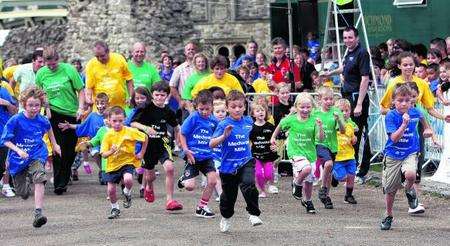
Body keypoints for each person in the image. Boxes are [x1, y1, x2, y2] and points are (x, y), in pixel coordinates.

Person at [1, 86, 61, 227]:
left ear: (41, 105)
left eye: (37, 105)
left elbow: (49, 128)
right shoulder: (15, 120)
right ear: (24, 104)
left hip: (36, 154)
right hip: (18, 159)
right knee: (23, 193)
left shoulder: (42, 119)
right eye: (30, 105)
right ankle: (25, 181)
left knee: (40, 177)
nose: (34, 109)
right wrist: (18, 151)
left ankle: (38, 212)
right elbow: (5, 140)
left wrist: (55, 145)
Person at [380, 84, 432, 230]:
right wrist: (404, 125)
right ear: (394, 102)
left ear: (412, 101)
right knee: (391, 190)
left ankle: (409, 190)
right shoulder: (391, 115)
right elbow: (394, 138)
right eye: (400, 100)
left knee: (410, 175)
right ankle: (388, 214)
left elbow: (424, 120)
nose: (404, 103)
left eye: (407, 100)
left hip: (410, 152)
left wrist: (428, 130)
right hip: (392, 154)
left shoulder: (416, 112)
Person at [324, 26, 371, 184]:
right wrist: (331, 73)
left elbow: (365, 78)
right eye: (345, 38)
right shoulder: (349, 53)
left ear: (357, 38)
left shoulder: (362, 53)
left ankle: (360, 170)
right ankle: (342, 168)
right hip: (345, 97)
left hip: (357, 97)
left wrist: (359, 104)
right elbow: (345, 68)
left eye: (350, 37)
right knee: (341, 131)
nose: (348, 40)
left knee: (357, 133)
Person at [35, 46, 85, 195]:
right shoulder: (41, 73)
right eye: (47, 64)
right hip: (53, 113)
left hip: (71, 113)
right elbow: (39, 92)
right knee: (58, 148)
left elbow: (80, 90)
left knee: (70, 150)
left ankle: (66, 173)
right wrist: (45, 105)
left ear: (58, 59)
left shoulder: (69, 69)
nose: (50, 66)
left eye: (53, 64)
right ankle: (59, 184)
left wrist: (80, 108)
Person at [210, 90, 262, 233]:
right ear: (227, 108)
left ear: (244, 107)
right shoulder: (223, 124)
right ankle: (225, 218)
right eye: (233, 106)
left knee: (249, 184)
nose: (237, 109)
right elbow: (211, 144)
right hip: (228, 166)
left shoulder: (249, 121)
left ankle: (253, 214)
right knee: (228, 197)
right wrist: (224, 136)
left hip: (246, 161)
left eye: (240, 106)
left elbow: (259, 131)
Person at [130, 82, 183, 211]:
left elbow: (177, 127)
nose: (159, 98)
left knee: (170, 168)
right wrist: (146, 128)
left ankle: (170, 200)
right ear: (152, 95)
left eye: (162, 95)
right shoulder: (145, 108)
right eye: (157, 95)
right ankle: (149, 186)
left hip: (163, 143)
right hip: (148, 145)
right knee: (150, 176)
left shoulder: (168, 111)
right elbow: (133, 123)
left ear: (167, 96)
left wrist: (179, 140)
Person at [271, 92, 324, 213]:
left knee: (310, 180)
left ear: (312, 107)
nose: (305, 110)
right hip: (295, 152)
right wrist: (273, 137)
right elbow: (280, 124)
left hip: (310, 153)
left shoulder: (314, 120)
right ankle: (297, 183)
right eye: (302, 107)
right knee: (306, 169)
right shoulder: (291, 120)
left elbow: (320, 139)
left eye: (308, 107)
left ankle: (308, 200)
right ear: (296, 107)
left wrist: (320, 127)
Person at [101, 106, 148, 219]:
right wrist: (111, 151)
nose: (117, 123)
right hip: (112, 165)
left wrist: (141, 153)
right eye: (114, 121)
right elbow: (103, 154)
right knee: (110, 190)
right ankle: (115, 208)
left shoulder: (130, 131)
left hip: (127, 162)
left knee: (128, 179)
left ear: (125, 119)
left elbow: (145, 138)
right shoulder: (108, 135)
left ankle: (127, 192)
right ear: (109, 121)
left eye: (120, 121)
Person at [177, 90, 219, 218]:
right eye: (201, 109)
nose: (205, 112)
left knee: (212, 180)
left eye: (207, 109)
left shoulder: (214, 120)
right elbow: (182, 134)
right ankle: (183, 179)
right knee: (190, 187)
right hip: (193, 156)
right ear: (196, 107)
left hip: (207, 156)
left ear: (212, 107)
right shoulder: (194, 117)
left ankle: (201, 207)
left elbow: (218, 135)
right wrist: (186, 150)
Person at [58, 93, 109, 183]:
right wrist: (69, 126)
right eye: (98, 103)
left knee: (107, 157)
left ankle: (108, 172)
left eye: (102, 103)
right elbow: (82, 126)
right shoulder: (92, 116)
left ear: (107, 103)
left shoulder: (109, 115)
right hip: (95, 142)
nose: (100, 106)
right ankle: (103, 171)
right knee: (95, 153)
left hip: (108, 142)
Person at [313, 87, 345, 209]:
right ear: (319, 100)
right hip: (319, 143)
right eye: (325, 99)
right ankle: (323, 188)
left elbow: (342, 131)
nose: (328, 101)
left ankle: (326, 196)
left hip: (332, 145)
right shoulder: (315, 113)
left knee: (329, 171)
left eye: (330, 99)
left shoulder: (336, 112)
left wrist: (339, 121)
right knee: (328, 164)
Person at [85, 41, 134, 109]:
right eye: (97, 56)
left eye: (102, 56)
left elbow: (129, 80)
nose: (99, 59)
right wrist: (88, 99)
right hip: (100, 108)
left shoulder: (119, 59)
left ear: (108, 52)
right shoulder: (90, 65)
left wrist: (131, 97)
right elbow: (89, 87)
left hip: (120, 106)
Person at [332, 99, 358, 204]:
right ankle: (334, 176)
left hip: (350, 155)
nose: (344, 113)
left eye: (347, 110)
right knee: (342, 177)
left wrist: (354, 139)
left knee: (351, 176)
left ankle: (349, 195)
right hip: (338, 156)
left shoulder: (351, 124)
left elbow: (353, 136)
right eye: (341, 110)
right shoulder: (334, 123)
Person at [249, 102, 278, 198]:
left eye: (262, 110)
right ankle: (261, 191)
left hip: (268, 156)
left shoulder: (270, 126)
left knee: (269, 174)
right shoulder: (251, 128)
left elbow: (275, 139)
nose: (260, 112)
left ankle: (267, 184)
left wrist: (275, 146)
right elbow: (247, 140)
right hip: (256, 155)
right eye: (258, 111)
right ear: (253, 114)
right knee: (258, 174)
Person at [169, 41, 197, 115]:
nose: (191, 51)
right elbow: (172, 86)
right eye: (188, 49)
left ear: (196, 51)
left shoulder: (201, 68)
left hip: (201, 105)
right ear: (185, 52)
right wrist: (180, 101)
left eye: (192, 49)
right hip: (186, 106)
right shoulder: (179, 69)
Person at [0, 82, 17, 198]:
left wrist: (6, 103)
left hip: (3, 132)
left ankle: (6, 185)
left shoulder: (3, 90)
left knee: (4, 162)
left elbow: (14, 111)